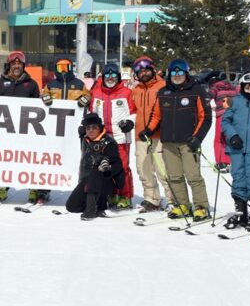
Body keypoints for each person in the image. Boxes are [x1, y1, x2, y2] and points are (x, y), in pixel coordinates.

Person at [138, 58, 212, 221]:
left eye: (180, 72)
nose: (177, 76)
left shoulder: (196, 90)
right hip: (169, 143)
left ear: (186, 73)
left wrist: (197, 138)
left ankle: (201, 207)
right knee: (174, 176)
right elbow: (156, 116)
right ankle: (182, 205)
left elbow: (205, 117)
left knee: (193, 176)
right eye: (173, 73)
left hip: (188, 143)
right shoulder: (163, 92)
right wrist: (148, 131)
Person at [0, 51, 45, 204]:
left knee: (29, 159)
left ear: (23, 65)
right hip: (4, 129)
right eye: (14, 64)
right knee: (3, 159)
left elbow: (38, 107)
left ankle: (33, 189)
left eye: (19, 64)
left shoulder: (31, 84)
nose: (16, 66)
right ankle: (1, 187)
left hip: (25, 130)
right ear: (9, 65)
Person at [220, 73, 250, 230]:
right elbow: (225, 121)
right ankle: (241, 211)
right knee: (238, 176)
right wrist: (232, 135)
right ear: (242, 87)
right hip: (237, 146)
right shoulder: (235, 101)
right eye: (247, 86)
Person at [86, 63, 136, 209]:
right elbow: (91, 113)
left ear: (118, 76)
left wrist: (129, 122)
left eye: (113, 75)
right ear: (102, 77)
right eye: (107, 75)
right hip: (102, 138)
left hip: (120, 137)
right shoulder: (96, 93)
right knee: (104, 167)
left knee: (122, 167)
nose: (110, 78)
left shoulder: (126, 92)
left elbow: (134, 112)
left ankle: (125, 196)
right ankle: (111, 194)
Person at [130, 56, 174, 213]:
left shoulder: (163, 86)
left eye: (146, 70)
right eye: (140, 71)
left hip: (159, 135)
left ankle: (173, 200)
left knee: (163, 169)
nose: (144, 73)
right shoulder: (135, 90)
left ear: (153, 70)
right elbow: (132, 111)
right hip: (141, 135)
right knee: (143, 169)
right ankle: (152, 199)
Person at [65, 113, 123, 219]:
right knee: (71, 206)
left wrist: (108, 169)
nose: (91, 130)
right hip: (87, 181)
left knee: (95, 172)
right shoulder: (85, 139)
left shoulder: (109, 142)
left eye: (94, 127)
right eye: (88, 128)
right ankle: (94, 204)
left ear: (99, 128)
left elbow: (118, 164)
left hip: (105, 181)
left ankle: (91, 210)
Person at [209, 77, 238, 172]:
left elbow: (208, 96)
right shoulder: (234, 88)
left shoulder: (215, 88)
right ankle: (232, 161)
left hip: (222, 115)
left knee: (219, 139)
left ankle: (222, 162)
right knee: (231, 137)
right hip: (235, 115)